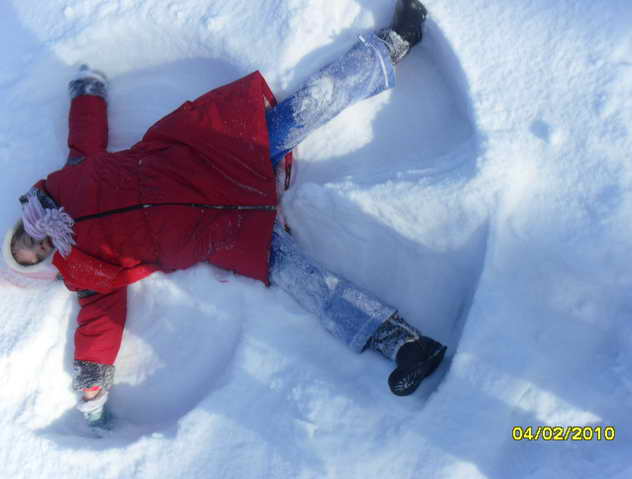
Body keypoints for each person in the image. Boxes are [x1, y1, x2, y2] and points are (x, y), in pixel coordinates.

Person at [3, 0, 446, 428]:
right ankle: (402, 343)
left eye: (23, 240)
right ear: (45, 266)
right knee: (302, 280)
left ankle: (394, 42)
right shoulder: (86, 272)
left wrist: (87, 91)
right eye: (34, 256)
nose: (34, 244)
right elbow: (101, 320)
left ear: (20, 226)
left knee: (302, 110)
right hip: (219, 231)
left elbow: (85, 133)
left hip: (212, 159)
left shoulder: (67, 178)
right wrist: (92, 380)